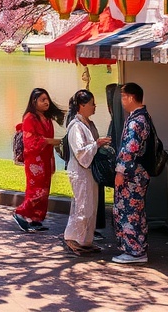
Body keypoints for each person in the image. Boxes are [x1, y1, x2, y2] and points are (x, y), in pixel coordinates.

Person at [63, 89, 110, 256]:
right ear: (82, 106)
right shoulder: (76, 126)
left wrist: (100, 145)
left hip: (89, 172)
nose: (94, 107)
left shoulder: (88, 124)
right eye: (91, 104)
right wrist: (96, 144)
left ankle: (85, 240)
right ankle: (74, 239)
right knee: (82, 206)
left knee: (90, 206)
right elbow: (81, 152)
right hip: (80, 172)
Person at [13, 87, 64, 232]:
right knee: (36, 191)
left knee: (45, 191)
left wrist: (52, 158)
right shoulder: (30, 117)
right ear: (34, 101)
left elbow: (47, 141)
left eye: (47, 99)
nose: (46, 102)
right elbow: (30, 141)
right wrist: (49, 141)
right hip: (34, 161)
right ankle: (20, 213)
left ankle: (35, 219)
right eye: (43, 100)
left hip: (46, 159)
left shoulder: (47, 119)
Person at [113, 82, 152, 263]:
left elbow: (129, 150)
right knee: (136, 210)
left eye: (123, 97)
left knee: (129, 210)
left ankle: (134, 251)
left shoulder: (136, 121)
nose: (122, 101)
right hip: (139, 174)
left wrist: (120, 172)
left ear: (130, 97)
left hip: (132, 175)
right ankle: (138, 248)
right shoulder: (142, 117)